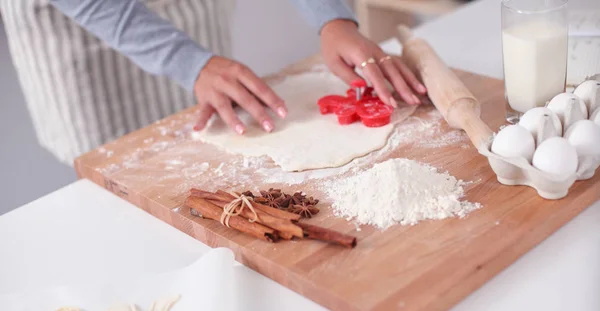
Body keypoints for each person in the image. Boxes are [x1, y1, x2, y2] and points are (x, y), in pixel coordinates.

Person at [0, 0, 425, 164]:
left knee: (208, 138)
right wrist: (187, 62)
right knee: (120, 164)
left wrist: (330, 16)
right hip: (84, 33)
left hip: (189, 10)